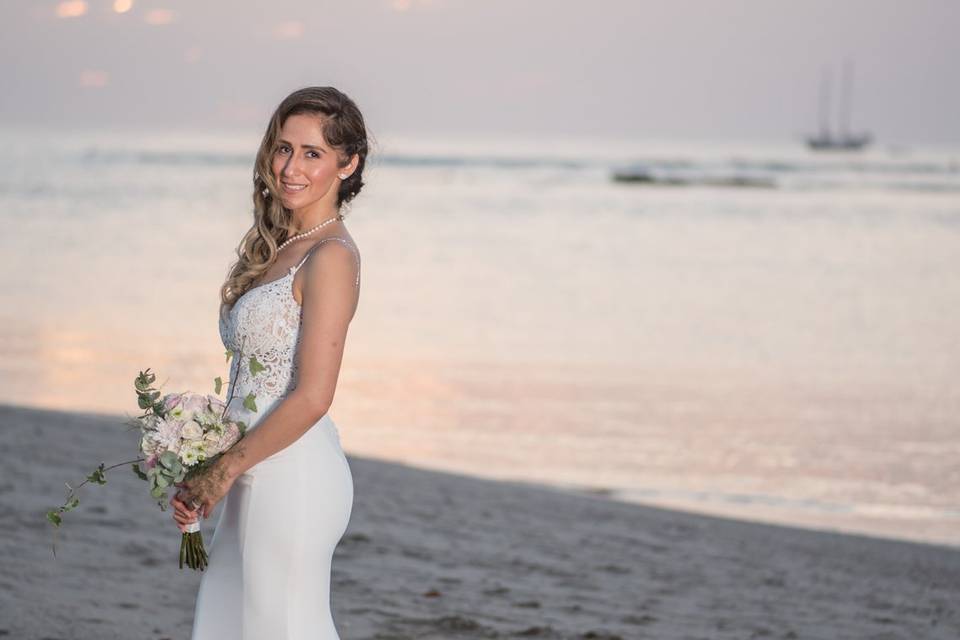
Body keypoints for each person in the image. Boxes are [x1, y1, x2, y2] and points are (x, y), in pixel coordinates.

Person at [170, 86, 368, 639]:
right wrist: (200, 457)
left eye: (313, 153)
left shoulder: (331, 257)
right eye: (283, 149)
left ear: (347, 164)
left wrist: (222, 470)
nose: (291, 167)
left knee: (281, 627)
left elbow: (312, 395)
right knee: (227, 624)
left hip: (293, 476)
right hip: (247, 468)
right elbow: (251, 380)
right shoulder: (283, 246)